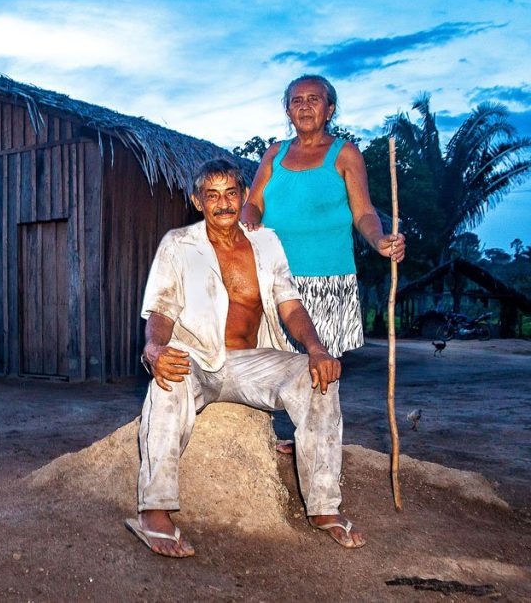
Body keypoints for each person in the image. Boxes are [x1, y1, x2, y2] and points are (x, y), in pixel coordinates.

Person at [125, 158, 365, 558]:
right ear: (197, 201)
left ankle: (324, 506)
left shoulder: (266, 242)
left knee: (317, 377)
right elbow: (161, 310)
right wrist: (154, 350)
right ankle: (154, 510)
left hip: (252, 361)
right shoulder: (178, 244)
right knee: (167, 383)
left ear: (243, 197)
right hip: (197, 359)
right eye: (212, 195)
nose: (223, 204)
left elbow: (289, 303)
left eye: (231, 193)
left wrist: (317, 348)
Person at [241, 75, 405, 358]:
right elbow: (252, 203)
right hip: (274, 276)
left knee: (319, 371)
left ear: (329, 110)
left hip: (326, 281)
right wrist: (249, 222)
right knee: (271, 371)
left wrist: (379, 240)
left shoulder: (345, 154)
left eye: (313, 99)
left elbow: (364, 211)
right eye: (297, 101)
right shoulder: (274, 154)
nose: (304, 107)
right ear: (288, 111)